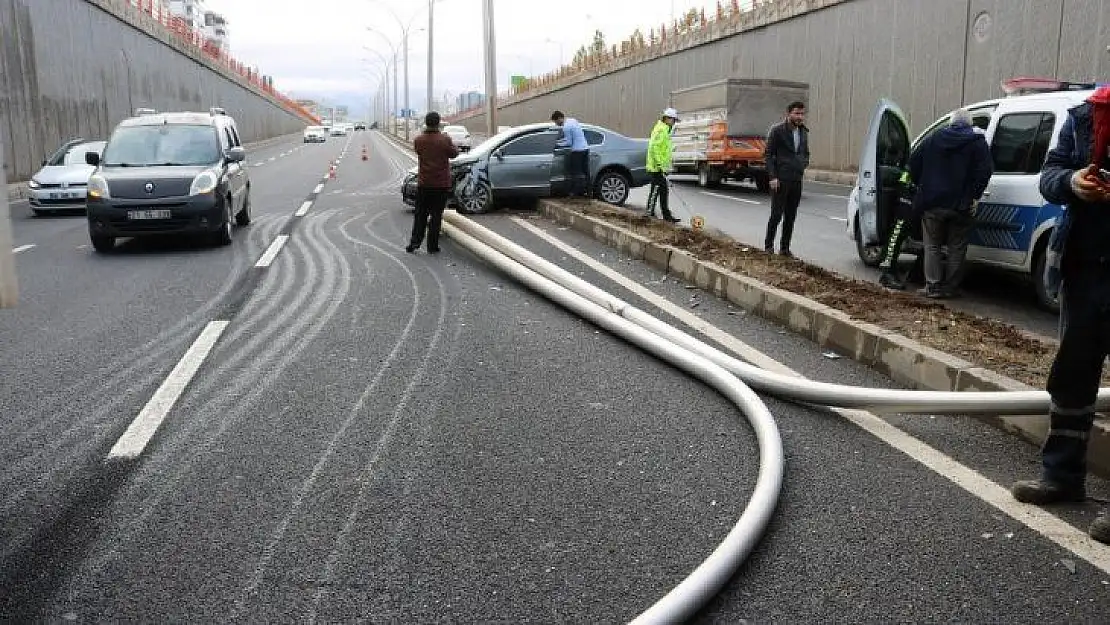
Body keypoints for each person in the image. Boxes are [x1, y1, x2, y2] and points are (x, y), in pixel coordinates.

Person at [1011, 86, 1110, 544]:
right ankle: (1062, 477)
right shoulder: (1086, 116)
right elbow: (1049, 175)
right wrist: (1074, 183)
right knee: (1072, 377)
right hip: (1086, 268)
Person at [908, 108, 993, 298]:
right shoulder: (977, 142)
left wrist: (921, 184)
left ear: (951, 123)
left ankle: (933, 286)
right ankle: (951, 287)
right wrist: (974, 195)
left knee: (932, 246)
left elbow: (913, 161)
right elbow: (985, 170)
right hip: (961, 205)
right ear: (970, 124)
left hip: (932, 202)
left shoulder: (934, 138)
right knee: (957, 246)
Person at [407, 111, 458, 254]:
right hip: (441, 185)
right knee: (436, 216)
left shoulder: (419, 140)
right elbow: (454, 154)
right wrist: (449, 142)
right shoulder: (444, 139)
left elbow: (419, 152)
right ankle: (432, 246)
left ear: (426, 122)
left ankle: (414, 243)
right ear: (438, 123)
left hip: (424, 183)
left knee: (420, 215)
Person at [764, 101, 810, 257]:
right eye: (796, 113)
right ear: (789, 114)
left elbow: (805, 153)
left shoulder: (803, 132)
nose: (800, 117)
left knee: (790, 216)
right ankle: (768, 247)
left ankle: (784, 248)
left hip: (796, 179)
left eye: (802, 114)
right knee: (776, 215)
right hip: (780, 180)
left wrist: (802, 165)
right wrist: (773, 177)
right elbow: (768, 155)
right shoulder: (777, 131)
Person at [876, 170, 919, 290]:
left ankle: (916, 275)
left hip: (919, 192)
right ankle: (887, 272)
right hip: (909, 192)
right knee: (897, 231)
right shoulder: (921, 152)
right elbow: (909, 171)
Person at [646, 107, 680, 223]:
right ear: (667, 118)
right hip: (657, 167)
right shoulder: (661, 130)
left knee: (662, 190)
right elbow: (654, 148)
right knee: (656, 190)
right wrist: (660, 165)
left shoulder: (664, 129)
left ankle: (665, 215)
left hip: (660, 167)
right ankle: (650, 213)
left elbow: (662, 149)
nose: (674, 122)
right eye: (673, 120)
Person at [551, 110, 590, 199]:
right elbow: (572, 137)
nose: (556, 124)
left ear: (560, 118)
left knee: (575, 173)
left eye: (556, 122)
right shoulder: (573, 120)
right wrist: (560, 141)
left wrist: (556, 144)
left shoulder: (566, 127)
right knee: (586, 171)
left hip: (577, 151)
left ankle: (575, 193)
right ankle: (589, 192)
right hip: (585, 148)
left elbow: (569, 142)